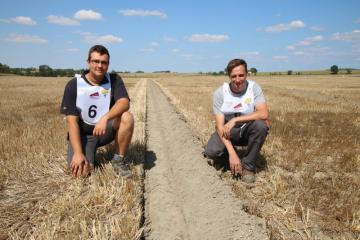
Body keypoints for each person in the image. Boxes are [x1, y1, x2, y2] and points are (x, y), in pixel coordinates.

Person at [60, 45, 134, 178]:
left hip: (104, 131)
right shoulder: (74, 85)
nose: (100, 66)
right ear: (88, 62)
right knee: (82, 173)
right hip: (84, 135)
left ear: (108, 64)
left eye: (103, 62)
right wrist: (78, 153)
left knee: (127, 117)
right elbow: (72, 122)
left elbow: (124, 103)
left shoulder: (114, 80)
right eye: (95, 61)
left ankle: (118, 160)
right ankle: (90, 155)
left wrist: (105, 118)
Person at [203, 59, 269, 183]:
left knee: (261, 125)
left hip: (246, 130)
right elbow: (219, 127)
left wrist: (236, 120)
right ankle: (231, 159)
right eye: (233, 76)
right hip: (227, 132)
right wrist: (232, 153)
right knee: (211, 152)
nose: (237, 80)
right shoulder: (220, 93)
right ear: (229, 76)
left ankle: (248, 166)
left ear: (246, 74)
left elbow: (263, 113)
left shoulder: (254, 88)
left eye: (241, 75)